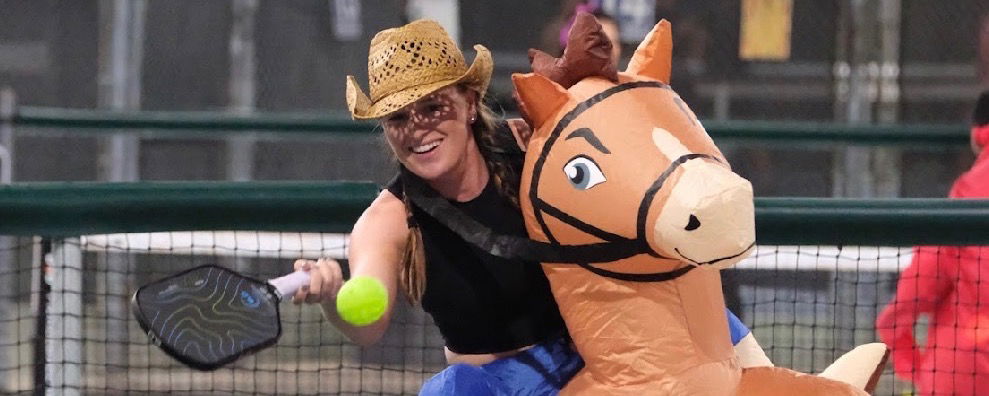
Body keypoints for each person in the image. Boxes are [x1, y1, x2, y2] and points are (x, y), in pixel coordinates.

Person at [293, 18, 758, 395]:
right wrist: (334, 299)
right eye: (398, 118)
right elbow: (368, 325)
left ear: (469, 103)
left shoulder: (533, 150)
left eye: (433, 107)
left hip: (596, 356)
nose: (417, 128)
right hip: (495, 385)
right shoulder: (387, 221)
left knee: (710, 323)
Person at [875, 90, 989, 395]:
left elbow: (919, 286)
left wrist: (912, 362)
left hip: (965, 373)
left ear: (978, 134)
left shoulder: (968, 192)